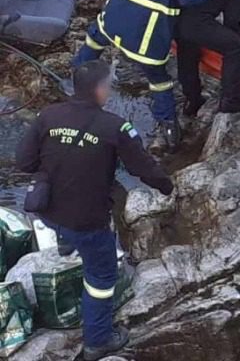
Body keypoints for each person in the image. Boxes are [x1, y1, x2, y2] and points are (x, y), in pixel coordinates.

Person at [15, 60, 173, 361]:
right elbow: (143, 168)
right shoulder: (115, 127)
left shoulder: (48, 115)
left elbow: (24, 162)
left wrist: (55, 168)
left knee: (66, 228)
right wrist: (166, 186)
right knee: (101, 277)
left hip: (48, 212)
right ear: (101, 89)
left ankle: (65, 243)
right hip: (87, 221)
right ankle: (97, 340)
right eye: (109, 84)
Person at [72, 0, 235, 152]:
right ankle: (168, 126)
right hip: (144, 39)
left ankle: (76, 79)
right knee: (159, 80)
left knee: (93, 42)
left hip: (112, 22)